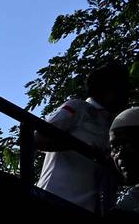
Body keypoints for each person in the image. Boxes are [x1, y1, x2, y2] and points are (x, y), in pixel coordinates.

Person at [35, 63, 129, 212]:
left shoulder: (113, 125)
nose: (126, 95)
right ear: (108, 89)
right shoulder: (77, 108)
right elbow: (39, 138)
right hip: (53, 198)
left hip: (88, 210)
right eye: (123, 88)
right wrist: (78, 146)